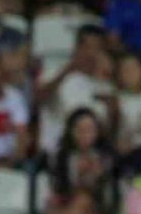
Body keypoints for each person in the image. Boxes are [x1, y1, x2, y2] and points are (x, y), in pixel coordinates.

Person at [37, 23, 114, 157]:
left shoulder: (105, 85)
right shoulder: (53, 72)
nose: (91, 53)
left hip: (91, 156)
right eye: (87, 47)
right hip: (54, 152)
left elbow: (106, 131)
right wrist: (67, 71)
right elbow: (37, 100)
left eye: (97, 48)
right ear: (77, 47)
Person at [45, 106, 114, 214]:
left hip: (95, 207)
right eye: (80, 130)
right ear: (71, 132)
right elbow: (59, 187)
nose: (85, 134)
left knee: (84, 199)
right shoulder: (62, 157)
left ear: (96, 132)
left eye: (89, 130)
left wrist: (94, 173)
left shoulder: (104, 157)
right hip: (67, 202)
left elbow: (103, 193)